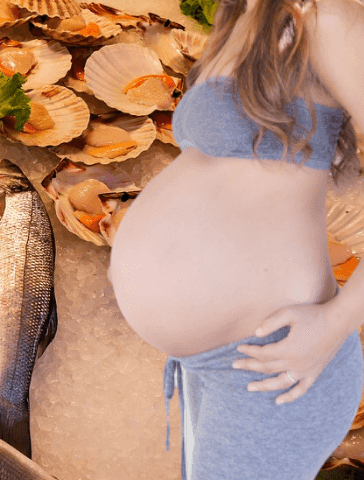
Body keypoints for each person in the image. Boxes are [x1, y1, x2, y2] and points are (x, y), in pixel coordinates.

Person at [107, 0, 364, 477]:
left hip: (279, 368)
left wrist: (336, 323)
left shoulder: (327, 15)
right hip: (219, 362)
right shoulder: (244, 13)